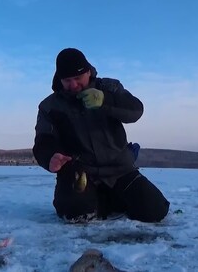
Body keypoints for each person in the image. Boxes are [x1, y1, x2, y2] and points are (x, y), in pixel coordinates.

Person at [32, 48, 170, 223]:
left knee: (155, 210)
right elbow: (43, 141)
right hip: (80, 172)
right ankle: (94, 200)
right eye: (67, 80)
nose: (73, 85)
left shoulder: (109, 88)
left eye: (77, 78)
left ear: (88, 72)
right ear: (60, 79)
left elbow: (136, 110)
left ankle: (105, 199)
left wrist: (106, 101)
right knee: (75, 214)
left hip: (120, 170)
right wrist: (50, 157)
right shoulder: (49, 106)